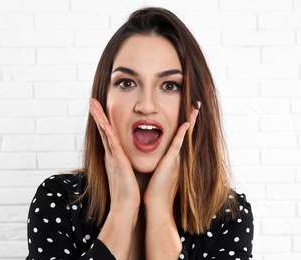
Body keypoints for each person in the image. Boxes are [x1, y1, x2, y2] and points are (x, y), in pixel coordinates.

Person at [26, 7, 253, 260]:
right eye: (127, 83)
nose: (146, 105)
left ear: (195, 105)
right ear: (103, 99)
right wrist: (123, 210)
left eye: (169, 86)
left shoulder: (229, 215)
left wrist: (158, 210)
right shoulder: (58, 200)